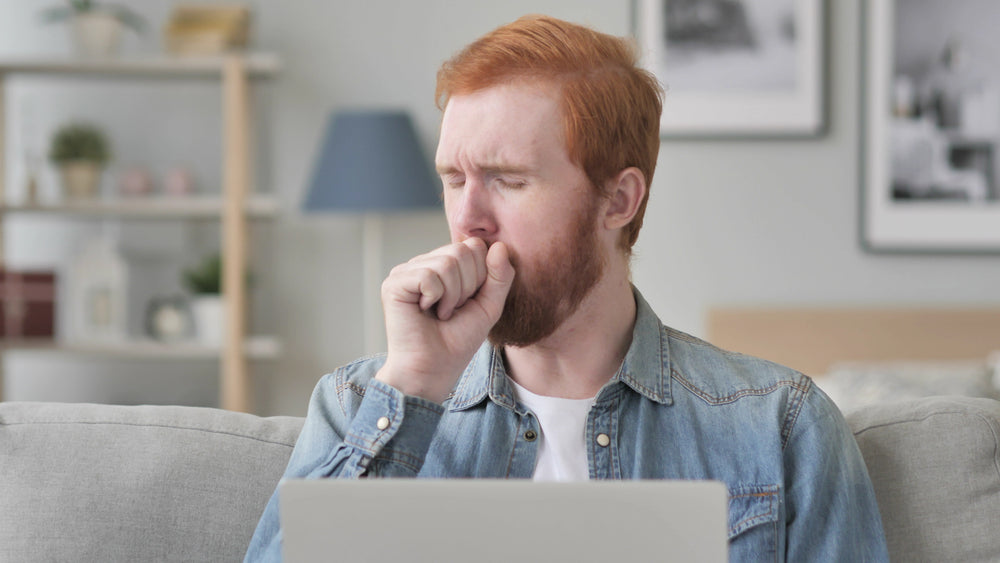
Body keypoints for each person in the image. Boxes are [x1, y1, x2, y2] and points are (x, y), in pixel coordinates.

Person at [245, 14, 888, 562]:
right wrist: (414, 385)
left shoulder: (783, 428)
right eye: (453, 179)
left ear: (619, 200)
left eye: (508, 180)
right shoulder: (360, 405)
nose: (468, 219)